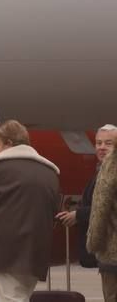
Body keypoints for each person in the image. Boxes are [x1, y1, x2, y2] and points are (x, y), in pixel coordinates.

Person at [0, 120, 61, 302]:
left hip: (5, 252)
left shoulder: (0, 168)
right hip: (35, 252)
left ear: (9, 143)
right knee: (20, 297)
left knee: (9, 299)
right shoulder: (49, 173)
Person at [83, 128, 117, 302]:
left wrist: (93, 244)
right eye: (98, 143)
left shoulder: (110, 170)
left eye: (108, 143)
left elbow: (100, 210)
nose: (102, 147)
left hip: (112, 255)